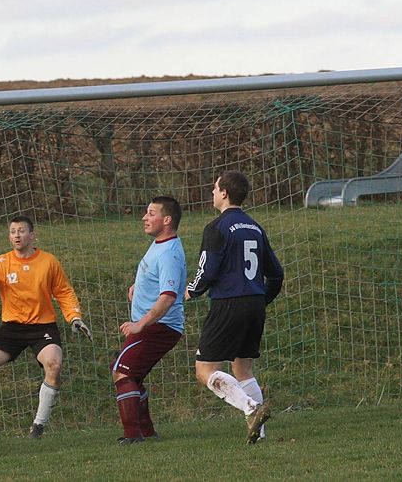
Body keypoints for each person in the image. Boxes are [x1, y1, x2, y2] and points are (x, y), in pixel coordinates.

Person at [0, 215, 91, 443]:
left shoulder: (49, 262)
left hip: (43, 328)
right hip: (11, 329)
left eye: (21, 231)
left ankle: (38, 426)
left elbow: (64, 292)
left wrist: (74, 317)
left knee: (54, 364)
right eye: (13, 231)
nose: (16, 235)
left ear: (32, 235)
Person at [186, 170, 284, 444]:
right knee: (243, 370)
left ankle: (250, 408)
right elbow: (276, 273)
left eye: (215, 189)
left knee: (204, 370)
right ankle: (259, 434)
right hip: (254, 304)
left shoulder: (216, 227)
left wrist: (192, 290)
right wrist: (260, 300)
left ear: (225, 193)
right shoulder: (255, 227)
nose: (213, 193)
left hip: (228, 303)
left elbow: (208, 269)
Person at [113, 197, 187, 445]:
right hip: (154, 326)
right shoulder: (160, 243)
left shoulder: (168, 253)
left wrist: (141, 324)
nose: (145, 217)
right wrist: (139, 285)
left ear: (166, 220)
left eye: (151, 213)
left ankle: (133, 436)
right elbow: (156, 277)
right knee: (132, 376)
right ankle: (146, 432)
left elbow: (167, 297)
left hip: (160, 327)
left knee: (122, 372)